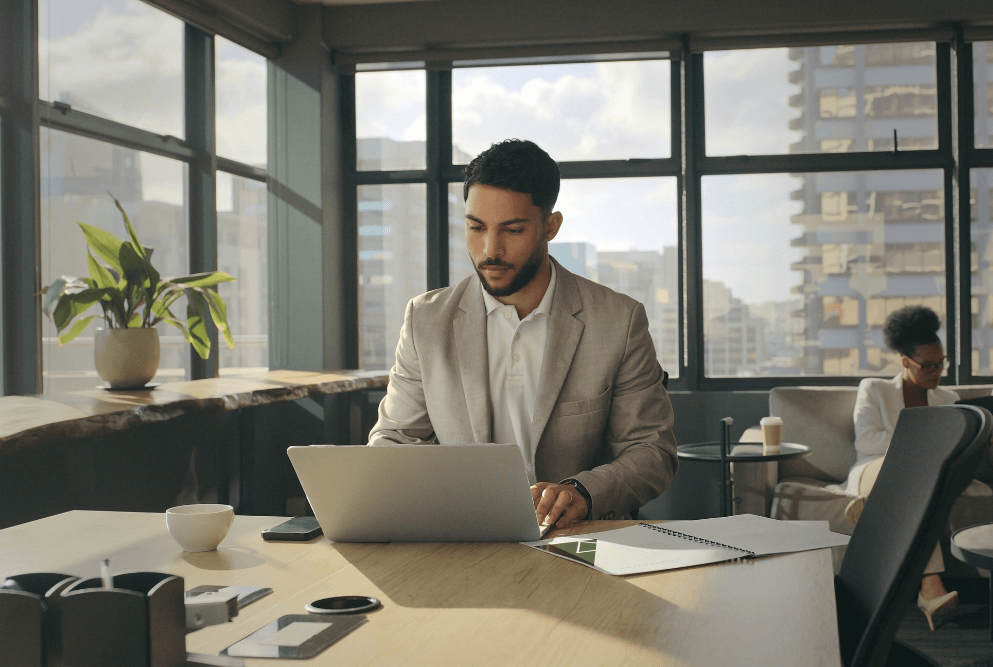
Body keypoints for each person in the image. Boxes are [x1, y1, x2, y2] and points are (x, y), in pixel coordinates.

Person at [368, 138, 678, 529]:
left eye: (512, 230)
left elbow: (652, 451)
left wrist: (583, 492)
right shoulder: (425, 322)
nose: (489, 251)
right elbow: (393, 441)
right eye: (475, 228)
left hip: (580, 540)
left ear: (551, 226)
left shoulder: (619, 321)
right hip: (460, 538)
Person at [847, 304, 991, 630]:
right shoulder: (875, 389)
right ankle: (930, 583)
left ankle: (931, 587)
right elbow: (866, 442)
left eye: (941, 363)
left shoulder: (949, 398)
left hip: (927, 477)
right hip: (875, 468)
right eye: (928, 366)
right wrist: (920, 441)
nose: (937, 372)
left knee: (924, 481)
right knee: (908, 474)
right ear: (905, 363)